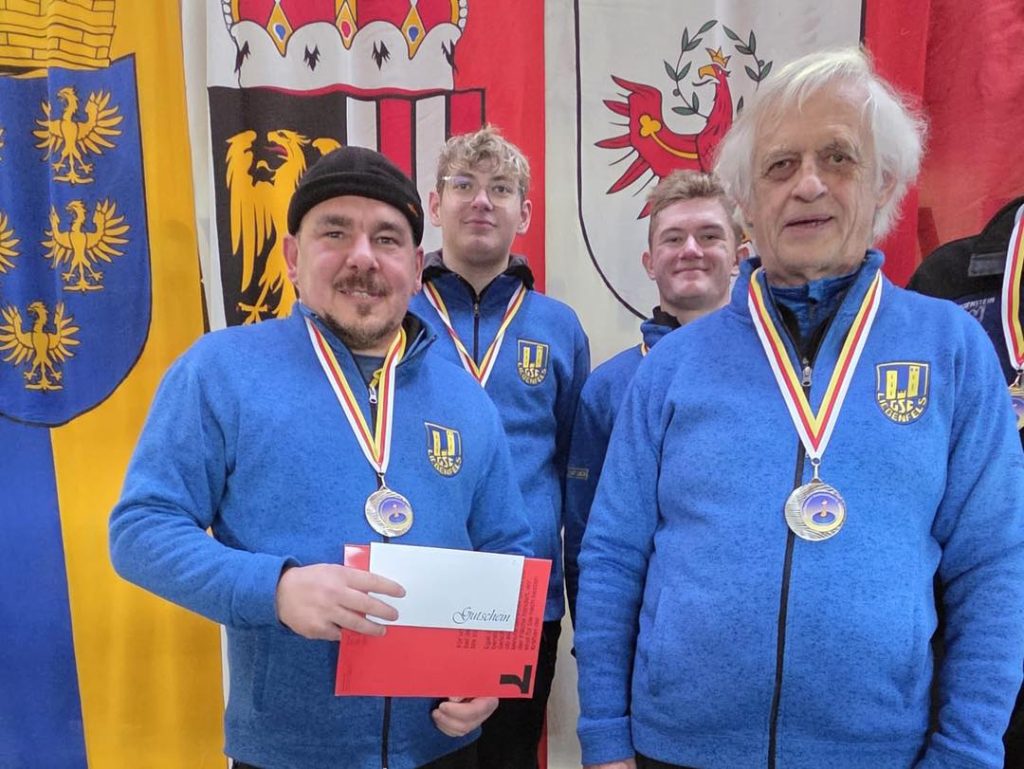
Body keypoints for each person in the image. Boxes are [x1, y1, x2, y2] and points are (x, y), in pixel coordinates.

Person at [574, 48, 1024, 769]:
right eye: (780, 166)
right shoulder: (673, 369)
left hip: (882, 753)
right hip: (677, 749)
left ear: (884, 183)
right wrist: (603, 734)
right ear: (746, 203)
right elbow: (612, 558)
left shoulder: (953, 352)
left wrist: (967, 752)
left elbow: (994, 567)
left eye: (838, 158)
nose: (808, 184)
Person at [109, 146, 533, 769]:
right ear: (292, 256)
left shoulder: (465, 397)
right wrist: (275, 589)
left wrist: (490, 670)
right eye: (335, 232)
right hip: (288, 751)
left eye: (386, 239)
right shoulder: (221, 371)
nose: (363, 257)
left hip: (441, 747)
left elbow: (506, 546)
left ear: (415, 267)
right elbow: (141, 530)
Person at [409, 126, 589, 769]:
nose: (482, 200)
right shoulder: (398, 314)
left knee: (509, 758)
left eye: (501, 188)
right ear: (436, 205)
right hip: (417, 587)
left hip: (524, 593)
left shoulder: (559, 326)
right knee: (424, 757)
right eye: (463, 185)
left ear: (525, 212)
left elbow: (571, 464)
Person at [563, 170, 741, 623]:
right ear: (649, 262)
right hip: (650, 637)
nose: (691, 250)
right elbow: (585, 537)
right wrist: (596, 643)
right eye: (673, 238)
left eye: (709, 236)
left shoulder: (778, 378)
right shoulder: (608, 387)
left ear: (739, 257)